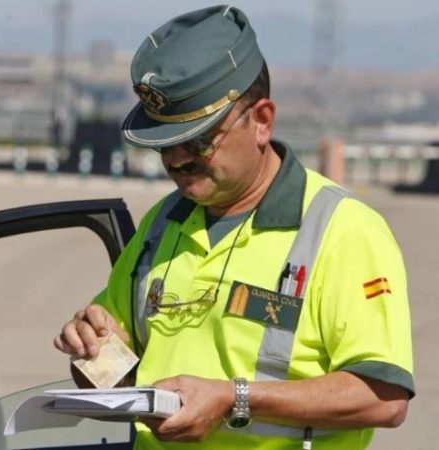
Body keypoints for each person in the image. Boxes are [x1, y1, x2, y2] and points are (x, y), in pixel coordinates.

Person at [53, 6, 413, 449]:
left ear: (261, 120)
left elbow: (384, 397)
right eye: (163, 145)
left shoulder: (342, 230)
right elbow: (120, 379)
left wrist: (234, 399)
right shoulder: (162, 223)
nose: (177, 160)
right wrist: (91, 349)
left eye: (199, 140)